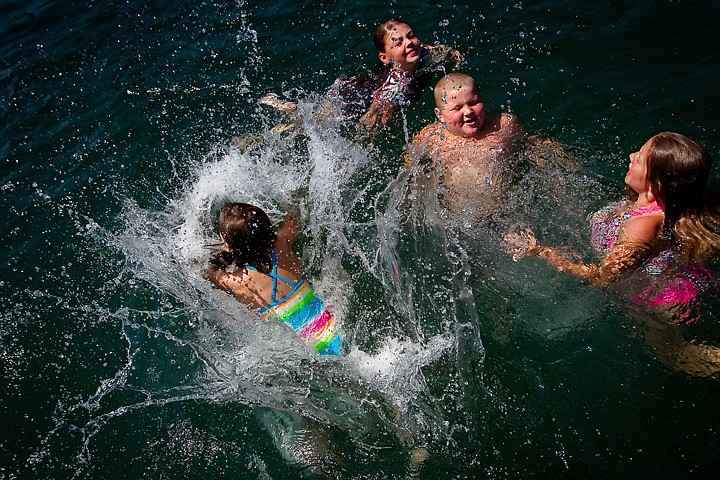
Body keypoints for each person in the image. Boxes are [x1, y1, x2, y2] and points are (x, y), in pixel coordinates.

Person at [504, 132, 720, 376]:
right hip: (674, 276)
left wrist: (540, 251)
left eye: (639, 159)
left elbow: (603, 278)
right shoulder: (659, 204)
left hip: (659, 300)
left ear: (657, 184)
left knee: (675, 355)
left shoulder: (643, 225)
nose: (630, 156)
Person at [259, 19, 461, 136]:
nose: (410, 43)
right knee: (316, 123)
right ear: (385, 58)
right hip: (357, 96)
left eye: (411, 35)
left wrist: (452, 55)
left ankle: (290, 107)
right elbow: (372, 117)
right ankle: (283, 111)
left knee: (318, 112)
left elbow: (440, 51)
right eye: (398, 43)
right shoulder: (393, 89)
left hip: (363, 83)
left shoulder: (422, 51)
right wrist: (368, 136)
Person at [205, 203, 342, 356]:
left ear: (230, 246)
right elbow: (293, 219)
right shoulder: (283, 245)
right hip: (334, 335)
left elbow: (207, 271)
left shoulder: (237, 281)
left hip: (303, 354)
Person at [405, 72, 526, 219]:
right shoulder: (431, 137)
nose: (468, 111)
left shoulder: (504, 125)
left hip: (506, 213)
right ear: (440, 115)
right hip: (460, 219)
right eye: (457, 108)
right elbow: (410, 168)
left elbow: (532, 145)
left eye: (473, 103)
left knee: (525, 241)